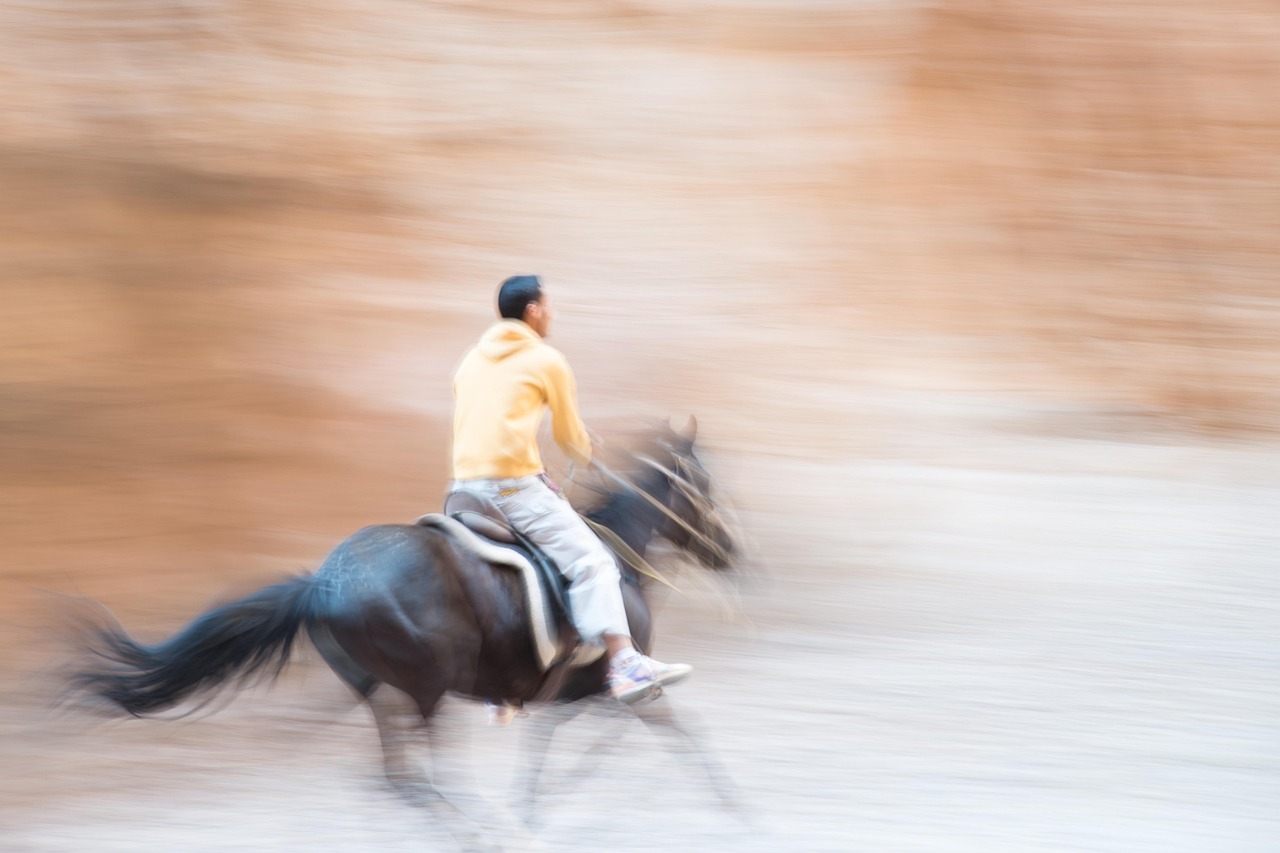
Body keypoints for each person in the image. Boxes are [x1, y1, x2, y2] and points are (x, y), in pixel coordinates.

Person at [449, 274, 691, 704]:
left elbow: (488, 423)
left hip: (464, 489)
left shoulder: (470, 359)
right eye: (550, 306)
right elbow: (568, 436)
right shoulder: (546, 359)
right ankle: (625, 664)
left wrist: (533, 465)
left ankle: (497, 687)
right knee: (593, 561)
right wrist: (584, 451)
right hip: (510, 490)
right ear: (533, 311)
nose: (553, 314)